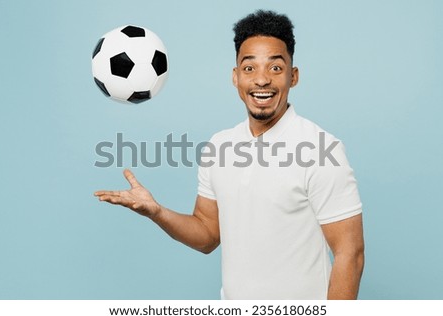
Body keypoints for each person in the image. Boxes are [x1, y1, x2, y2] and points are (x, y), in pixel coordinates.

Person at [94, 10, 364, 300]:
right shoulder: (219, 147)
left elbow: (350, 254)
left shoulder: (321, 149)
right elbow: (207, 234)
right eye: (249, 69)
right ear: (235, 77)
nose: (262, 80)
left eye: (275, 68)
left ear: (293, 76)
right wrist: (157, 212)